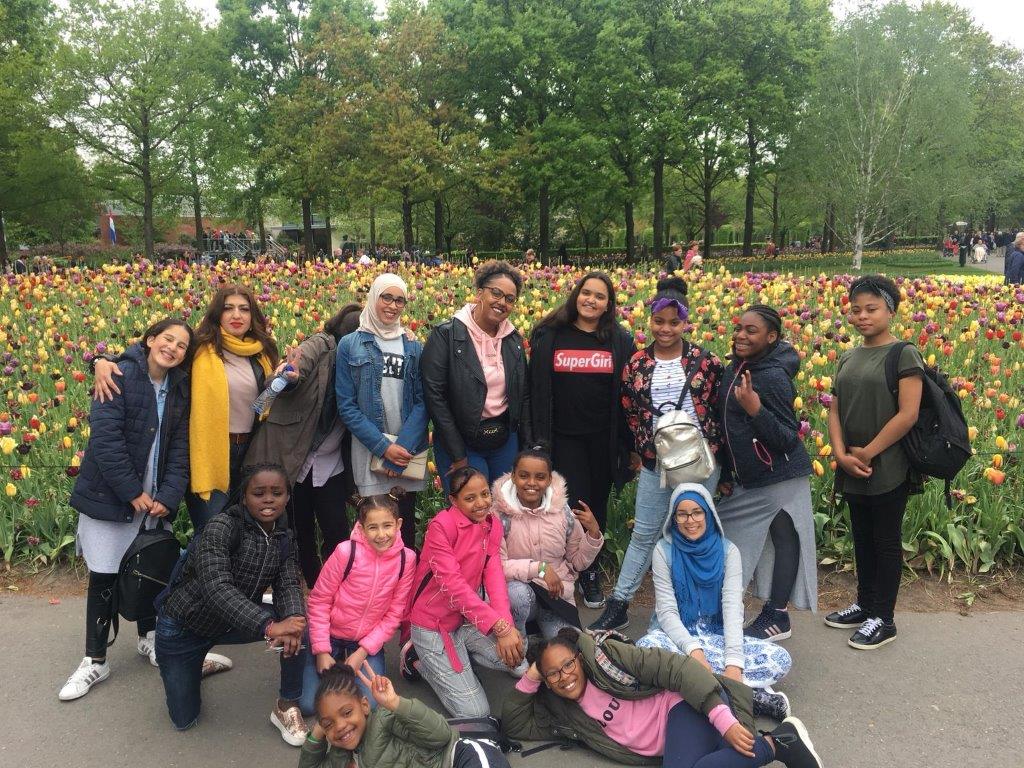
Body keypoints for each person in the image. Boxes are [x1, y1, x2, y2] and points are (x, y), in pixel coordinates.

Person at [59, 319, 193, 701]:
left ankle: (148, 638)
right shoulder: (118, 373)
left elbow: (180, 449)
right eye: (168, 339)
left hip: (153, 500)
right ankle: (94, 660)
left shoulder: (179, 389)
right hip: (111, 496)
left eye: (182, 345)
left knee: (150, 571)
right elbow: (106, 440)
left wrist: (167, 496)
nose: (173, 348)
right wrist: (133, 493)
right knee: (103, 577)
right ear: (150, 339)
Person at [590, 277, 724, 632]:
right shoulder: (636, 364)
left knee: (696, 532)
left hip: (700, 462)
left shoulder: (706, 362)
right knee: (645, 534)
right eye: (659, 321)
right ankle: (620, 604)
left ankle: (691, 608)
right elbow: (629, 412)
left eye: (674, 322)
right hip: (656, 464)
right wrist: (640, 451)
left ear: (686, 322)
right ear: (649, 320)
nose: (666, 329)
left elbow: (717, 409)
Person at [93, 285, 279, 532]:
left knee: (245, 530)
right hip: (207, 452)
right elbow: (153, 354)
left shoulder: (262, 353)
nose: (237, 315)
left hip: (251, 451)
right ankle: (189, 571)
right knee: (213, 531)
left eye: (244, 309)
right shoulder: (200, 348)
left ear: (252, 315)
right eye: (228, 309)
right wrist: (101, 362)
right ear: (217, 314)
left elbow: (264, 401)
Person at [502, 628, 823, 768]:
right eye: (553, 674)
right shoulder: (563, 712)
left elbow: (678, 669)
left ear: (579, 660)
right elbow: (514, 723)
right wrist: (532, 675)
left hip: (685, 705)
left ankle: (776, 744)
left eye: (568, 665)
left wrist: (722, 718)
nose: (564, 677)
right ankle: (777, 743)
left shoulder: (608, 659)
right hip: (676, 743)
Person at [154, 463, 309, 744]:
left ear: (287, 497)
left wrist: (293, 618)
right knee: (184, 720)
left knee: (298, 626)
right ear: (244, 497)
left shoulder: (283, 537)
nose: (268, 499)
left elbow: (287, 584)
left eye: (277, 492)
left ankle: (287, 706)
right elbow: (216, 587)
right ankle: (195, 662)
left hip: (232, 622)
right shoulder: (221, 527)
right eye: (259, 493)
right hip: (183, 628)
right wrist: (269, 625)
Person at [636, 484, 793, 722]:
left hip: (717, 639)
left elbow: (732, 610)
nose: (690, 520)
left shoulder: (729, 552)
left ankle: (699, 691)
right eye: (682, 514)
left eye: (697, 512)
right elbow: (666, 612)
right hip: (675, 639)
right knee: (646, 648)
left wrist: (733, 663)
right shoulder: (663, 551)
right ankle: (752, 697)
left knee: (780, 658)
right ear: (674, 517)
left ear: (708, 513)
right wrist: (694, 652)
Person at [826, 275, 923, 650]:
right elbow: (834, 407)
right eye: (856, 310)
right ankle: (865, 604)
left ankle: (885, 617)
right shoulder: (849, 355)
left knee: (885, 540)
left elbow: (908, 413)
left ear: (891, 311)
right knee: (862, 537)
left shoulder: (904, 353)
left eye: (872, 309)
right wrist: (840, 453)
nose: (862, 316)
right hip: (851, 463)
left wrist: (868, 451)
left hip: (887, 465)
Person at [527, 271, 635, 607]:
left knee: (597, 504)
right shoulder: (551, 334)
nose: (591, 300)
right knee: (571, 505)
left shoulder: (618, 339)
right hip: (562, 437)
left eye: (599, 296)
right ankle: (564, 566)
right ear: (576, 296)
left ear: (608, 304)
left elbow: (629, 394)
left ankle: (590, 570)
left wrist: (629, 446)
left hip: (603, 438)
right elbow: (534, 390)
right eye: (586, 293)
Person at [715, 305, 817, 641]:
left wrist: (756, 410)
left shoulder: (772, 377)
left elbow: (788, 437)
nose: (741, 335)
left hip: (781, 477)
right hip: (752, 476)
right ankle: (730, 606)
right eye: (739, 328)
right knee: (727, 530)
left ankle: (778, 615)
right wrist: (728, 473)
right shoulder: (737, 367)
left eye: (751, 331)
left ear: (771, 337)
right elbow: (729, 428)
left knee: (785, 538)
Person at [244, 303, 361, 587]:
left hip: (331, 462)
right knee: (300, 532)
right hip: (295, 457)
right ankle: (310, 591)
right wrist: (287, 377)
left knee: (337, 532)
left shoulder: (364, 361)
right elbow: (295, 370)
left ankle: (334, 592)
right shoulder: (320, 345)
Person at [402, 466, 527, 718]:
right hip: (432, 626)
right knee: (476, 712)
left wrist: (506, 626)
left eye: (484, 494)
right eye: (470, 498)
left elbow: (494, 577)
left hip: (465, 620)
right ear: (453, 501)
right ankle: (416, 659)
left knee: (518, 661)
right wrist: (499, 628)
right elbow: (454, 587)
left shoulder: (491, 523)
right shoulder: (441, 527)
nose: (481, 503)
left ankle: (458, 659)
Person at [300, 490, 416, 714]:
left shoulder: (406, 560)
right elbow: (319, 601)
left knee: (371, 704)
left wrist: (362, 652)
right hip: (330, 635)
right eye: (373, 527)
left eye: (387, 525)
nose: (381, 534)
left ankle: (345, 675)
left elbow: (394, 615)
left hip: (366, 641)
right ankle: (332, 668)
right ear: (361, 528)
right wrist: (322, 650)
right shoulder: (346, 552)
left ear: (399, 524)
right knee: (308, 704)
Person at [336, 274, 428, 550]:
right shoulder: (349, 345)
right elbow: (346, 405)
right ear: (373, 298)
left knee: (404, 530)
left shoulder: (413, 345)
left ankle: (404, 590)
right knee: (373, 532)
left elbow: (424, 402)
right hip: (369, 452)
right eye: (386, 297)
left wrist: (401, 448)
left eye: (399, 300)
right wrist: (383, 448)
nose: (392, 305)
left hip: (407, 454)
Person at [421, 260, 530, 491]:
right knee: (471, 511)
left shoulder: (513, 340)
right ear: (479, 292)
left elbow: (523, 393)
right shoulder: (446, 335)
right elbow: (435, 397)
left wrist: (528, 445)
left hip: (504, 439)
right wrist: (457, 453)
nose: (502, 302)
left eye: (510, 299)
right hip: (461, 440)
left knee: (503, 509)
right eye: (496, 293)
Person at [492, 444, 604, 640]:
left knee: (570, 650)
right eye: (524, 475)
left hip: (556, 597)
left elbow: (577, 562)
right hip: (520, 593)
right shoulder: (500, 516)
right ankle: (517, 642)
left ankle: (546, 632)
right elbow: (496, 567)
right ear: (513, 476)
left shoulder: (563, 513)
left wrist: (593, 533)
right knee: (517, 595)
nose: (532, 483)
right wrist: (540, 569)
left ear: (550, 479)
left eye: (540, 477)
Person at [301, 664, 512, 768]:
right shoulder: (340, 755)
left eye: (347, 713)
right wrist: (319, 731)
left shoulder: (385, 718)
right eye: (329, 724)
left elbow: (441, 735)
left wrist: (395, 703)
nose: (340, 726)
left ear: (364, 706)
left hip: (460, 758)